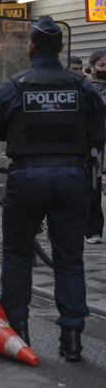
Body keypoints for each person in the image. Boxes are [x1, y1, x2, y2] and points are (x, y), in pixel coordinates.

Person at [0, 16, 106, 362]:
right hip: (72, 178)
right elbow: (99, 130)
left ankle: (18, 332)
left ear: (31, 47)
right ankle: (72, 339)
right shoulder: (82, 87)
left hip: (27, 177)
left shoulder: (16, 86)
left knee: (17, 254)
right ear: (62, 48)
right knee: (69, 259)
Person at [86, 50, 106, 244]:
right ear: (91, 66)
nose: (105, 70)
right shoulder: (86, 87)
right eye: (102, 65)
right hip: (95, 146)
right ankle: (93, 230)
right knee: (93, 189)